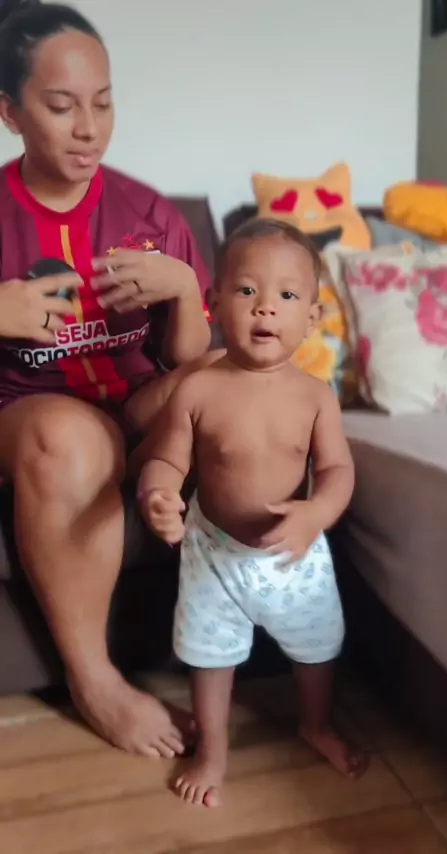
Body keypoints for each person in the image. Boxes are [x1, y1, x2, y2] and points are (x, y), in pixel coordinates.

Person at [0, 0, 211, 759]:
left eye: (103, 102)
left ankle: (251, 633)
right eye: (61, 106)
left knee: (238, 384)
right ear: (10, 113)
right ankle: (94, 680)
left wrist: (183, 289)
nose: (88, 128)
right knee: (72, 439)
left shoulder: (147, 212)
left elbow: (191, 358)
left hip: (136, 407)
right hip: (35, 418)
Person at [138, 219, 368, 807]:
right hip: (215, 553)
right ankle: (212, 752)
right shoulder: (197, 389)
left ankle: (314, 724)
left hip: (294, 553)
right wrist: (157, 495)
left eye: (286, 295)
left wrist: (316, 513)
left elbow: (338, 470)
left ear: (312, 318)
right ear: (214, 303)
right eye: (246, 290)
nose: (265, 307)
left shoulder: (315, 396)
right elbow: (166, 459)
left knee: (317, 650)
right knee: (210, 660)